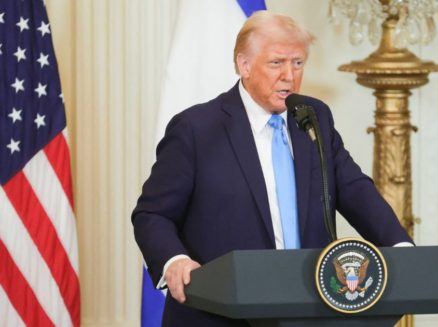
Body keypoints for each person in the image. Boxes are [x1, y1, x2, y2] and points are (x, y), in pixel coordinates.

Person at [132, 10, 413, 327]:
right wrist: (175, 260)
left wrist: (400, 248)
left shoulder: (313, 117)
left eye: (298, 63)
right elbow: (152, 214)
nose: (290, 76)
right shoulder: (196, 129)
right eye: (277, 63)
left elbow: (353, 188)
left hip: (308, 310)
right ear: (245, 65)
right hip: (217, 315)